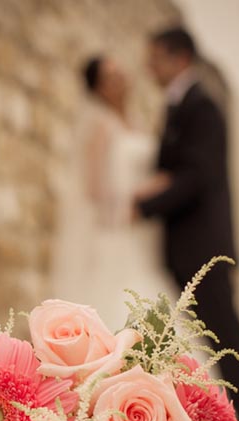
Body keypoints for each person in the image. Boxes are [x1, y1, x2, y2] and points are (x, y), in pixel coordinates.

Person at [134, 27, 239, 421]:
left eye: (155, 58)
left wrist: (146, 204)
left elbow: (197, 175)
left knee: (226, 332)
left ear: (179, 59)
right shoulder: (180, 106)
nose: (148, 67)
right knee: (213, 334)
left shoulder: (202, 106)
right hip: (187, 246)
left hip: (204, 245)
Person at [51, 55, 174, 330]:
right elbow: (93, 188)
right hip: (118, 225)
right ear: (98, 88)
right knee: (124, 296)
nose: (119, 80)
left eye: (120, 72)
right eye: (110, 77)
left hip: (145, 229)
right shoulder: (100, 126)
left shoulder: (137, 121)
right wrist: (139, 196)